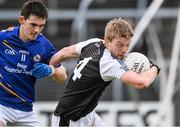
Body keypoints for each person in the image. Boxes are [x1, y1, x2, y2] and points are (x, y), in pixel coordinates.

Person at [50, 18, 160, 127]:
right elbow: (142, 82)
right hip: (69, 119)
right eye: (120, 45)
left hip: (87, 114)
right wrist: (154, 67)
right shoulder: (109, 63)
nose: (124, 50)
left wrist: (50, 65)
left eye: (127, 45)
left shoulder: (93, 43)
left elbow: (64, 52)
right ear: (107, 41)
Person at [0, 0, 67, 126]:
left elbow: (63, 76)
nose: (37, 30)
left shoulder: (44, 46)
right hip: (1, 105)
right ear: (21, 20)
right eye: (33, 24)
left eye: (41, 26)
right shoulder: (3, 38)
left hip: (26, 110)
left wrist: (51, 69)